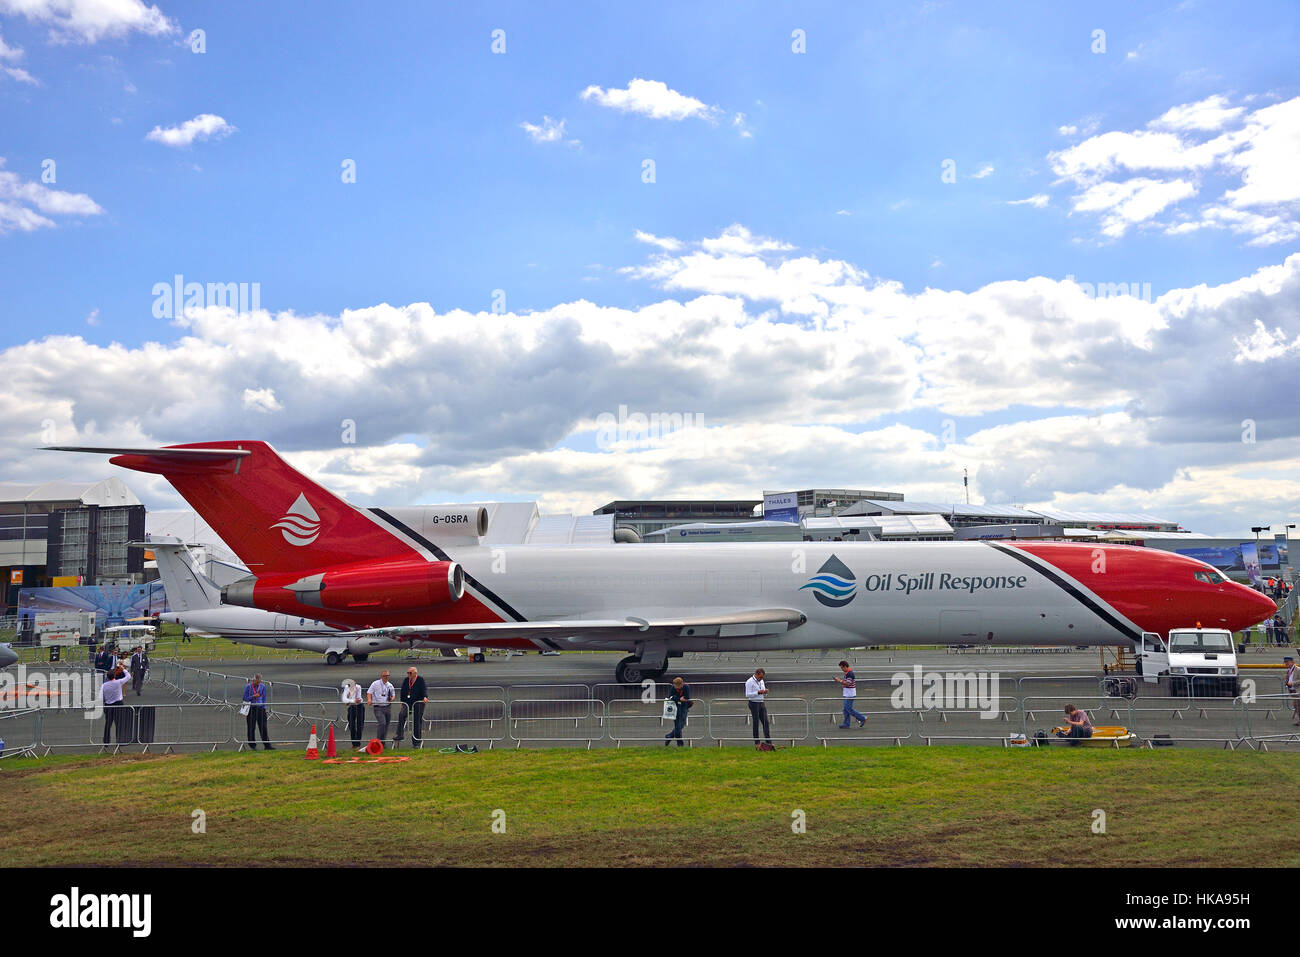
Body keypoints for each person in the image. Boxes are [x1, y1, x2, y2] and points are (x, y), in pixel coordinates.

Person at [395, 666, 428, 749]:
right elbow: (403, 691)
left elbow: (424, 689)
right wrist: (402, 702)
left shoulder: (420, 680)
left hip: (418, 703)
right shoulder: (406, 680)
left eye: (410, 673)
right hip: (408, 703)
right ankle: (400, 734)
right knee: (401, 714)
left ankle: (416, 741)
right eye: (408, 673)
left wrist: (425, 697)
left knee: (416, 721)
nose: (408, 674)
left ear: (415, 673)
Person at [101, 663, 132, 745]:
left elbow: (101, 696)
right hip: (118, 704)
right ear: (114, 676)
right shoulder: (118, 682)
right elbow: (128, 676)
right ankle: (120, 740)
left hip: (108, 705)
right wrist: (123, 669)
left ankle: (106, 741)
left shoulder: (104, 685)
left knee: (108, 724)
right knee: (120, 723)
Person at [242, 673, 273, 750]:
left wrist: (264, 707)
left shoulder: (262, 686)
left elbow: (264, 697)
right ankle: (252, 745)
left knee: (263, 727)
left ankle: (267, 745)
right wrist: (253, 696)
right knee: (251, 727)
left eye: (260, 681)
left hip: (260, 708)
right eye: (257, 681)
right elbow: (244, 698)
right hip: (251, 708)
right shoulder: (248, 687)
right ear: (254, 680)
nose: (258, 683)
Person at [745, 667, 772, 748]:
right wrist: (758, 692)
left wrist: (765, 692)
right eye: (760, 677)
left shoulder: (761, 681)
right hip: (753, 703)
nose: (761, 679)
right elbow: (747, 694)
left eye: (762, 677)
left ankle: (769, 742)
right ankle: (757, 743)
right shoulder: (750, 682)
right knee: (756, 723)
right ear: (756, 675)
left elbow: (763, 693)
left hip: (761, 702)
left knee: (766, 722)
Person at [835, 660, 867, 728]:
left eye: (842, 668)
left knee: (849, 709)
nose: (842, 669)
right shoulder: (847, 673)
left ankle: (862, 718)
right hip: (847, 693)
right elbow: (847, 683)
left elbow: (848, 683)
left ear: (845, 666)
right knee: (845, 709)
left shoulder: (850, 673)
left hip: (850, 694)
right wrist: (842, 683)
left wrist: (839, 681)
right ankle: (847, 723)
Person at [367, 669, 396, 743]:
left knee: (386, 725)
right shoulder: (375, 683)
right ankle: (378, 741)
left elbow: (393, 695)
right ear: (381, 676)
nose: (386, 677)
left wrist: (392, 698)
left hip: (387, 706)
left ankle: (383, 742)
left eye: (387, 676)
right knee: (382, 723)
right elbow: (369, 692)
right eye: (384, 676)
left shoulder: (390, 685)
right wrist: (369, 699)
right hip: (378, 707)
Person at [664, 676, 692, 746]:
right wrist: (679, 698)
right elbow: (671, 697)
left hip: (684, 708)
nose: (676, 687)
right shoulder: (673, 688)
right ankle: (680, 743)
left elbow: (687, 697)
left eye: (677, 686)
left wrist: (678, 698)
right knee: (677, 725)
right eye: (675, 686)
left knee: (681, 725)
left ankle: (669, 736)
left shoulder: (686, 687)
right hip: (675, 708)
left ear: (682, 684)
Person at [342, 678, 366, 750]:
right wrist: (351, 701)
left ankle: (357, 743)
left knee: (359, 725)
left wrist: (349, 701)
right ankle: (354, 743)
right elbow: (344, 699)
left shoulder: (358, 687)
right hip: (351, 707)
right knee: (351, 725)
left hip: (359, 707)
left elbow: (358, 699)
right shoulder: (346, 688)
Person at [1285, 656, 1299, 727]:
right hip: (1292, 690)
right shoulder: (1289, 670)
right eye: (1285, 663)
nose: (1286, 664)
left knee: (1298, 706)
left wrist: (1292, 683)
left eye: (1287, 662)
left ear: (1292, 662)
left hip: (1297, 690)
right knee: (1296, 705)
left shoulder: (1298, 669)